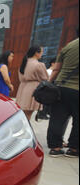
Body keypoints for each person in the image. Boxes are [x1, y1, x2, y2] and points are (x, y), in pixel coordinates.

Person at [47, 29, 79, 158]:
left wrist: (49, 84)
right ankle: (74, 148)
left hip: (61, 87)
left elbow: (56, 70)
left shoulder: (67, 47)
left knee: (57, 118)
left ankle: (55, 147)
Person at [15, 46, 49, 121]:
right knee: (28, 115)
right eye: (41, 52)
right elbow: (45, 78)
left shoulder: (23, 63)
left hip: (22, 88)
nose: (42, 54)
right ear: (36, 53)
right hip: (33, 89)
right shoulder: (39, 65)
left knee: (23, 113)